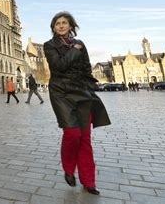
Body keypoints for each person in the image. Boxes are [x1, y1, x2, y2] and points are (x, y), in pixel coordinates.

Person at [43, 11, 111, 196]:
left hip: (81, 92)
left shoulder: (81, 44)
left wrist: (88, 87)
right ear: (54, 28)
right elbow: (59, 66)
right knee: (72, 134)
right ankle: (68, 168)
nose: (61, 25)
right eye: (57, 23)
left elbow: (86, 67)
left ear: (71, 25)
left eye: (64, 22)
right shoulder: (49, 46)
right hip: (61, 93)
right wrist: (75, 50)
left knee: (85, 138)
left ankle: (89, 181)